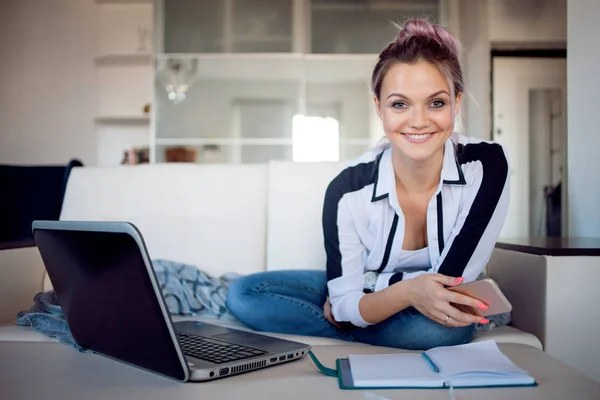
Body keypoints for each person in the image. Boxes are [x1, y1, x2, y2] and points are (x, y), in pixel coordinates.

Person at [226, 18, 510, 350]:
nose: (418, 121)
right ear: (379, 107)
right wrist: (404, 293)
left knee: (443, 329)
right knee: (244, 294)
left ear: (456, 103)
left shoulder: (486, 165)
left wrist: (356, 307)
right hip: (380, 293)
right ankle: (379, 327)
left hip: (402, 297)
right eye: (399, 104)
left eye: (436, 102)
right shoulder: (346, 189)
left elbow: (449, 287)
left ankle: (360, 325)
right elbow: (352, 295)